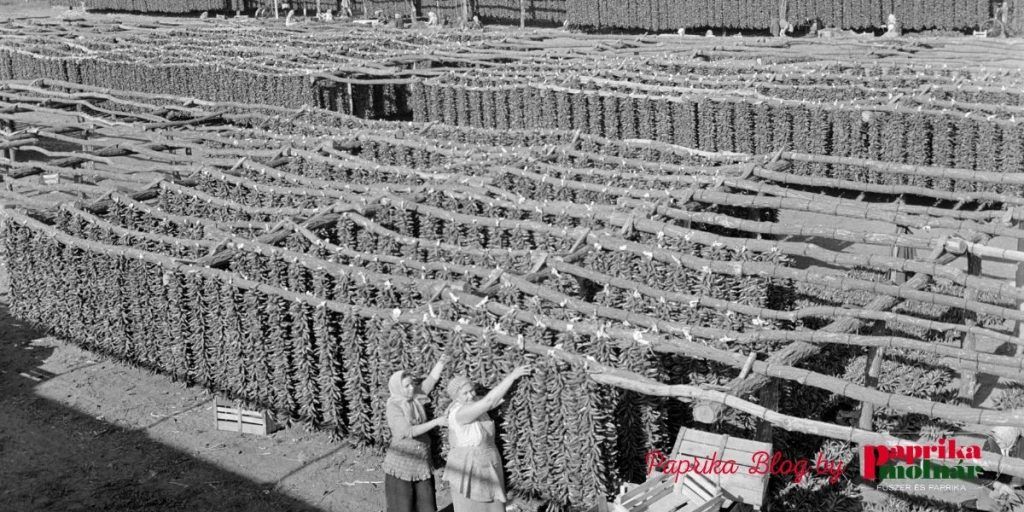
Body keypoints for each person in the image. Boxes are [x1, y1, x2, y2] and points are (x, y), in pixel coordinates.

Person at [445, 365, 532, 512]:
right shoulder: (461, 413)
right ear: (456, 397)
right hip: (470, 467)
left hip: (486, 463)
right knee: (475, 506)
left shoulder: (473, 403)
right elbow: (489, 401)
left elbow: (495, 399)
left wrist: (519, 384)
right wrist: (512, 376)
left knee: (493, 505)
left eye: (471, 390)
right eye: (465, 393)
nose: (471, 395)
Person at [383, 355, 450, 512]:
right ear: (398, 388)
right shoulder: (394, 406)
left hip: (421, 462)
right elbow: (409, 431)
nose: (411, 388)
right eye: (406, 386)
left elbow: (431, 380)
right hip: (402, 463)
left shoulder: (415, 398)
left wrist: (442, 361)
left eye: (412, 384)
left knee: (426, 503)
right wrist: (436, 422)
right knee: (403, 506)